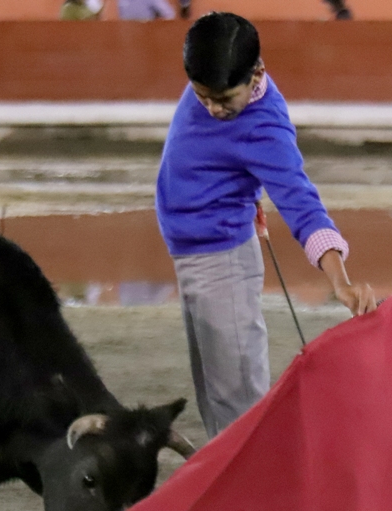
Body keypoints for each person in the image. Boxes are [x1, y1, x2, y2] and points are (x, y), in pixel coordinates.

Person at [156, 11, 376, 438]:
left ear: (256, 72)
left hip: (221, 264)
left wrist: (340, 280)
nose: (213, 108)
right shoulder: (216, 64)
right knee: (216, 398)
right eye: (202, 96)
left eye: (224, 99)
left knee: (237, 406)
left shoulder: (266, 129)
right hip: (193, 257)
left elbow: (302, 204)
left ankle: (260, 495)